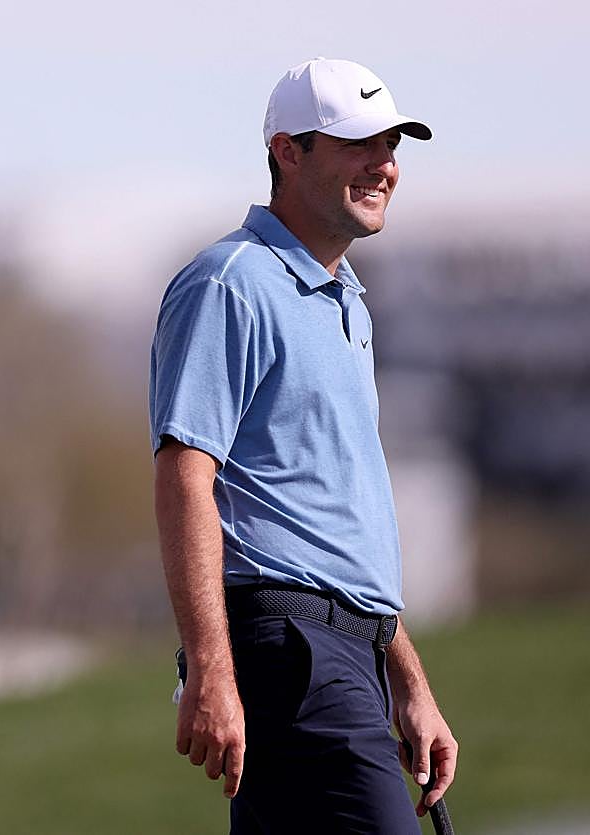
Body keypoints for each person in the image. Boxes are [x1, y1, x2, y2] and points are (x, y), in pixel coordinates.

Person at [149, 58, 458, 831]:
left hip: (349, 652)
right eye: (358, 144)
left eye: (391, 145)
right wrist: (213, 668)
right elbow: (185, 476)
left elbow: (339, 523)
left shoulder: (348, 299)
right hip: (288, 649)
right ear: (289, 152)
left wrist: (408, 679)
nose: (384, 165)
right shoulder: (230, 282)